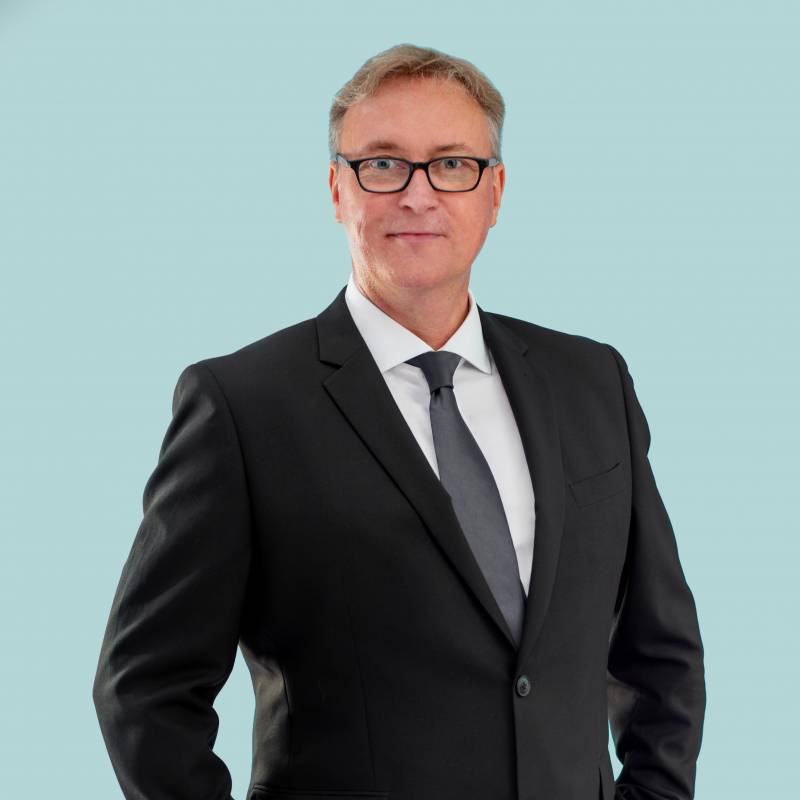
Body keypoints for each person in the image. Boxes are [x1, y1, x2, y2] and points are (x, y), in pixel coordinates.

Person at [92, 43, 706, 800]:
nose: (418, 194)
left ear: (495, 191)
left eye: (452, 164)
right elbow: (144, 690)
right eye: (382, 164)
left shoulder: (592, 380)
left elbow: (661, 655)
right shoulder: (242, 405)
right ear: (337, 188)